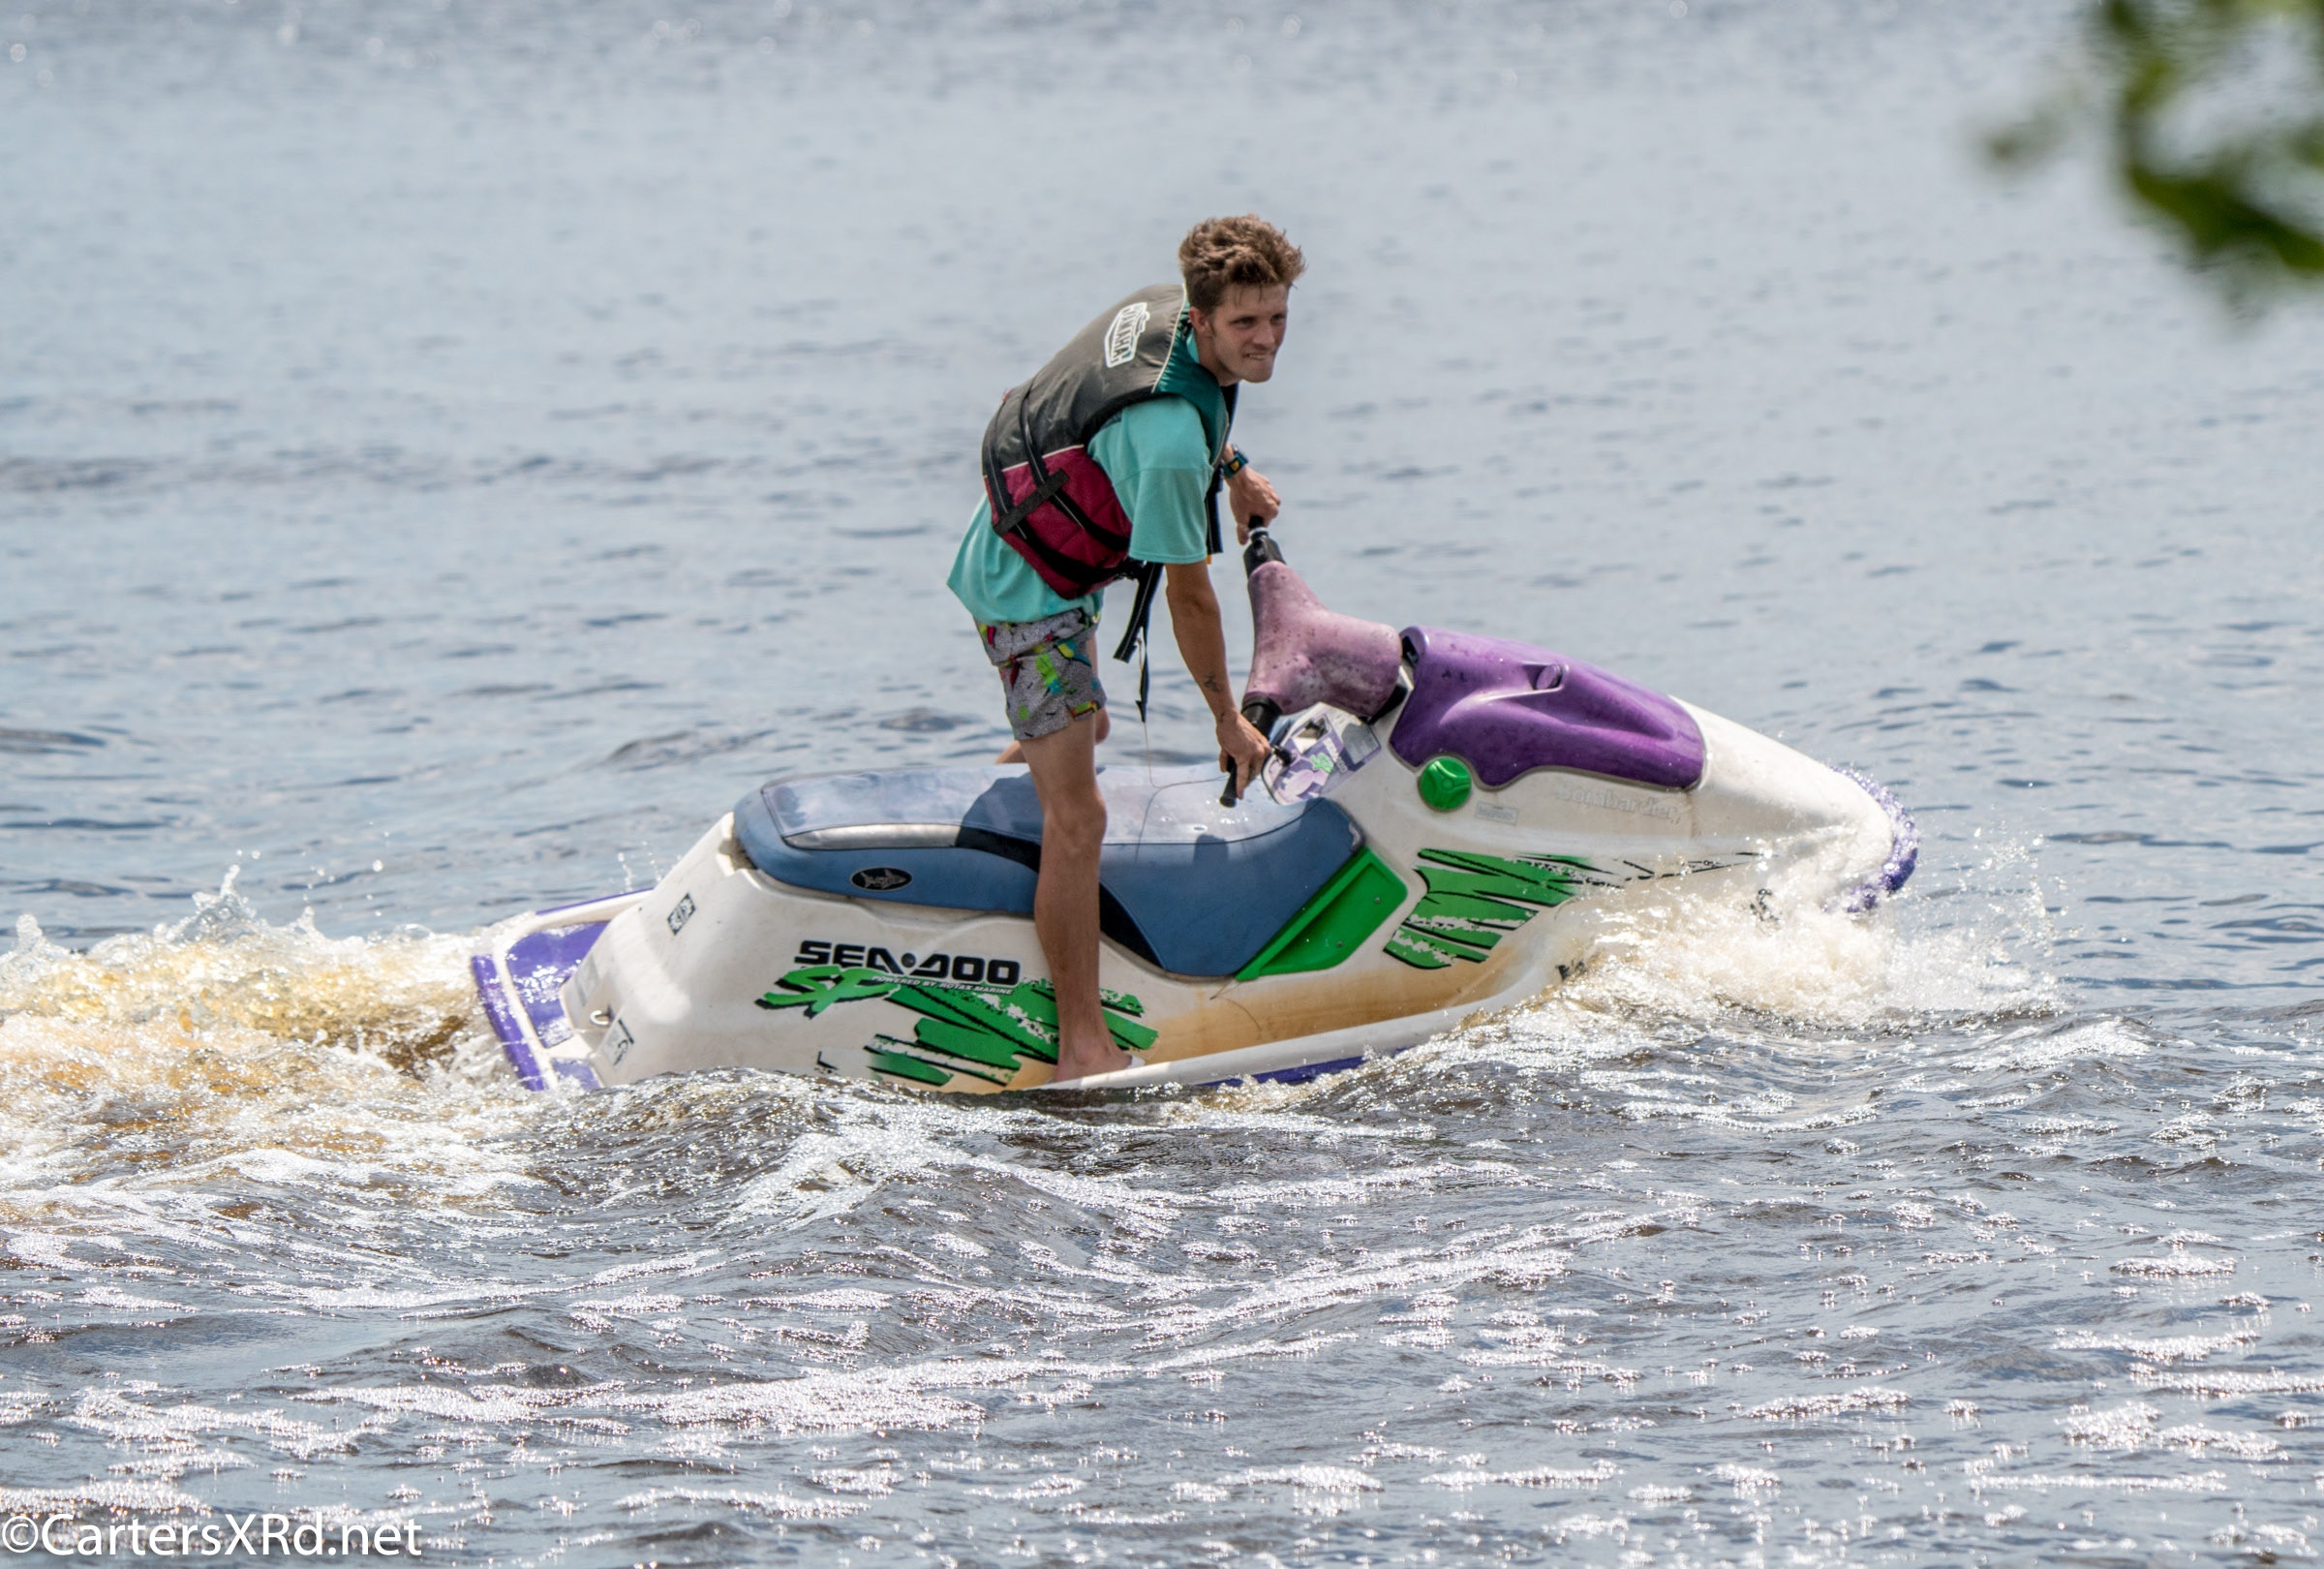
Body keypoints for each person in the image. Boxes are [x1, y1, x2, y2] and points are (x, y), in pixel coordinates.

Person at [945, 214, 1304, 1084]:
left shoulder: (1164, 315)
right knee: (1081, 819)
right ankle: (1080, 1045)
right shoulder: (1170, 444)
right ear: (1203, 316)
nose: (1265, 339)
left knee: (1085, 731)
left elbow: (1176, 407)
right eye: (1246, 323)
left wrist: (1235, 472)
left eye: (1278, 317)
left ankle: (1010, 794)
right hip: (1027, 597)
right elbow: (1190, 597)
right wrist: (1227, 719)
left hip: (1040, 559)